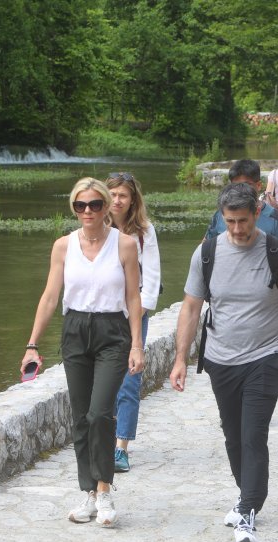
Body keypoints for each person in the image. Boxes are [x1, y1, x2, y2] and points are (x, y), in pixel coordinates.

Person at [170, 183, 278, 542]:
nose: (237, 229)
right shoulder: (207, 253)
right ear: (222, 218)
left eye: (243, 221)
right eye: (230, 221)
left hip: (265, 357)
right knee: (232, 436)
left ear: (257, 214)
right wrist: (180, 358)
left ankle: (247, 513)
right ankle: (251, 493)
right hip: (220, 359)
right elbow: (190, 308)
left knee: (253, 434)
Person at [21, 177, 144, 527]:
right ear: (73, 208)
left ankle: (105, 490)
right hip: (75, 330)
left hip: (112, 333)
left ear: (106, 206)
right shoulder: (63, 246)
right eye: (80, 205)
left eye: (94, 204)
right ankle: (88, 492)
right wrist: (32, 344)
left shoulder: (124, 245)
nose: (87, 211)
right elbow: (49, 297)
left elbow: (134, 297)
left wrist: (137, 344)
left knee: (100, 413)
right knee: (79, 416)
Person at [105, 172, 161, 474]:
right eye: (112, 194)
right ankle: (103, 438)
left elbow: (151, 277)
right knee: (104, 382)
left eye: (122, 195)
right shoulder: (96, 227)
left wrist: (139, 311)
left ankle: (121, 446)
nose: (117, 200)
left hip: (133, 316)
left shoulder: (144, 232)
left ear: (132, 199)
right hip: (102, 316)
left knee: (129, 381)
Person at [204, 159, 278, 241]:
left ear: (259, 185)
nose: (241, 189)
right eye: (236, 185)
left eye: (246, 185)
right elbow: (207, 244)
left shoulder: (274, 217)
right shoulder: (220, 215)